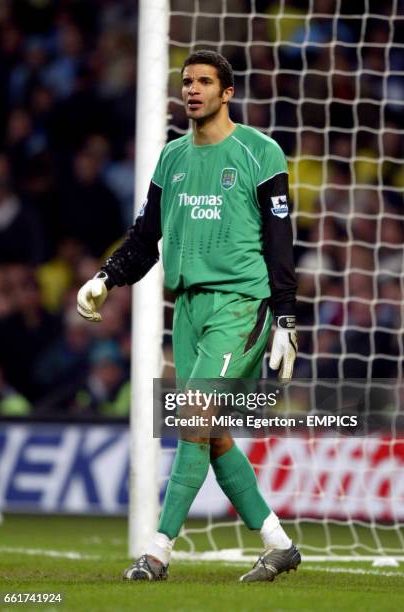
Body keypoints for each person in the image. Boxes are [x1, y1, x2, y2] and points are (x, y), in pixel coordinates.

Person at [77, 50, 299, 583]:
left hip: (241, 304)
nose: (192, 89)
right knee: (213, 432)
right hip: (190, 309)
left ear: (227, 93)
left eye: (204, 82)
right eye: (187, 81)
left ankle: (157, 552)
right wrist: (106, 278)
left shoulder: (259, 153)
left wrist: (286, 318)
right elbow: (145, 237)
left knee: (193, 419)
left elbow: (280, 242)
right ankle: (279, 543)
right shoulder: (171, 159)